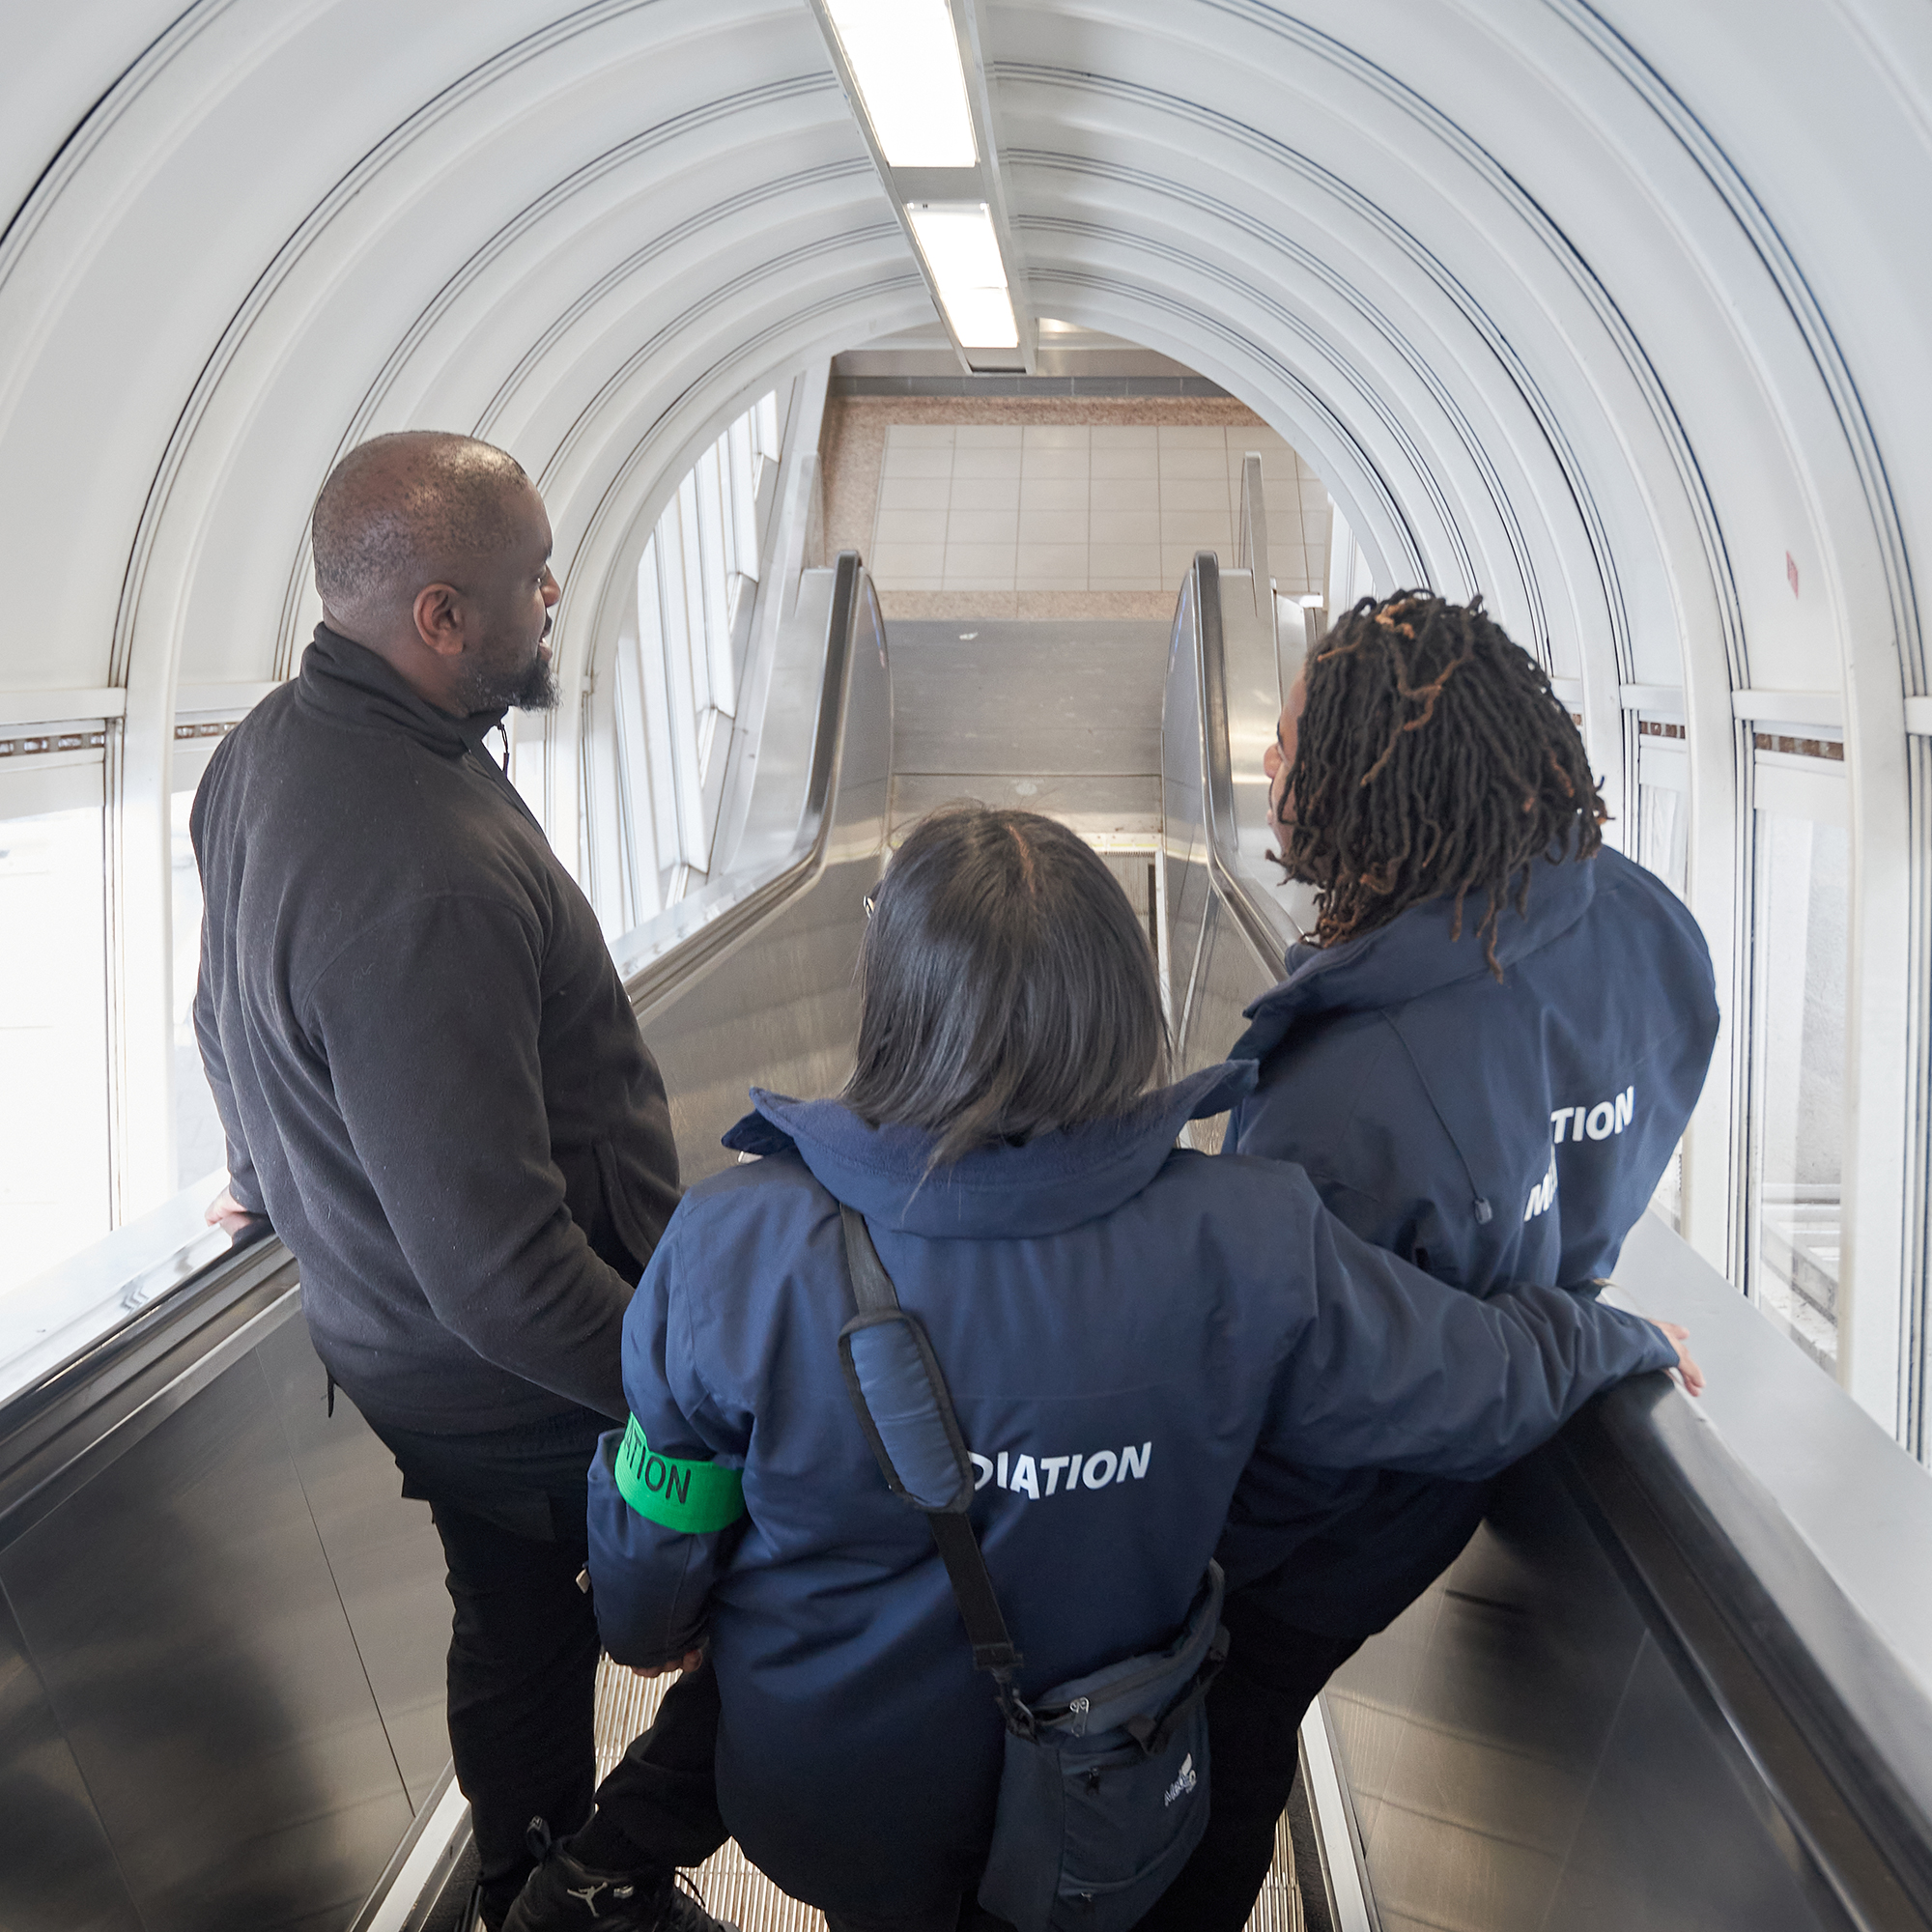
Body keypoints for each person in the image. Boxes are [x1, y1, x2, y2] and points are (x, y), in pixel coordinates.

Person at [568, 803, 1701, 1932]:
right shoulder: (1247, 1240)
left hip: (823, 1784)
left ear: (893, 1002)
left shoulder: (732, 1248)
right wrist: (1611, 1335)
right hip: (1105, 1779)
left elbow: (659, 1509)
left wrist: (642, 1625)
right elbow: (1471, 1386)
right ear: (1122, 1003)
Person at [192, 432, 731, 1932]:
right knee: (793, 1581)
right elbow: (500, 1270)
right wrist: (679, 1393)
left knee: (513, 1622)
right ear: (437, 616)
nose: (555, 597)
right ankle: (599, 1878)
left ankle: (531, 1881)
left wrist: (259, 1172)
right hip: (520, 1376)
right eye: (529, 582)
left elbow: (217, 1013)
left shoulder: (266, 753)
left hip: (398, 1343)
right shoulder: (419, 867)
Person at [1139, 590, 1723, 1928]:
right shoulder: (1651, 930)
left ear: (1371, 776)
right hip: (1443, 1490)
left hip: (1310, 1536)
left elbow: (1292, 1397)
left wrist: (1190, 1572)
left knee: (1214, 1763)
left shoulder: (1351, 1091)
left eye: (1292, 745)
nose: (1269, 769)